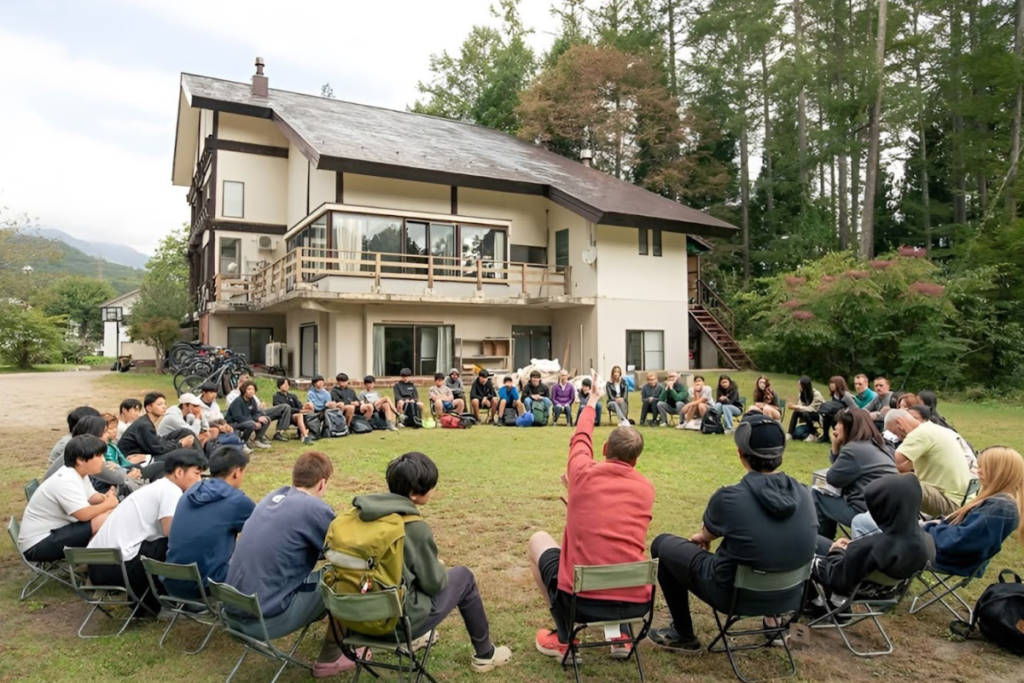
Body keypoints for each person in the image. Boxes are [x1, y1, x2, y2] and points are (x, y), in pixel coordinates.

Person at [647, 414, 818, 653]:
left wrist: (702, 538)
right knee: (773, 547)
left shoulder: (729, 498)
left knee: (663, 544)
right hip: (790, 596)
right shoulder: (806, 494)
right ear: (780, 454)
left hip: (733, 594)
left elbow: (705, 536)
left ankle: (683, 634)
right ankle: (779, 626)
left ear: (741, 454)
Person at [350, 453, 512, 672]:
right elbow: (434, 584)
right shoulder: (414, 528)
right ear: (414, 495)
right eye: (431, 487)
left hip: (353, 618)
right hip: (395, 625)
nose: (434, 490)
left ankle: (421, 637)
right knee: (463, 577)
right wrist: (438, 567)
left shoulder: (358, 517)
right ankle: (485, 654)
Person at [528, 376, 654, 660]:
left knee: (538, 541)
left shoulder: (583, 474)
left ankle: (563, 637)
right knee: (615, 556)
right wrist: (575, 493)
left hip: (580, 600)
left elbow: (582, 436)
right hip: (633, 600)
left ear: (605, 450)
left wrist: (594, 399)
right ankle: (619, 636)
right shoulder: (646, 489)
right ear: (635, 460)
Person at [225, 451, 356, 677]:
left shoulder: (270, 498)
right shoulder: (313, 508)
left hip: (232, 612)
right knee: (343, 579)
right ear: (323, 483)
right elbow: (344, 550)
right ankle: (333, 655)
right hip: (262, 621)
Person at [88, 449, 207, 614]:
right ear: (179, 472)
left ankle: (149, 604)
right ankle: (182, 598)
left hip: (99, 564)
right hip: (115, 567)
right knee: (178, 544)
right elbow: (171, 532)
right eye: (197, 474)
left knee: (161, 545)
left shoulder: (157, 487)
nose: (199, 480)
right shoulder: (170, 490)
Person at [808, 475, 933, 609]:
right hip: (887, 592)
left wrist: (836, 551)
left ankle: (818, 602)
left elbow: (835, 578)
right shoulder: (927, 541)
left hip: (852, 588)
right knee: (818, 541)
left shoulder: (871, 548)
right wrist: (851, 548)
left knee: (803, 545)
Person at [165, 447, 256, 598]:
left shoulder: (191, 492)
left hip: (172, 581)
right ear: (237, 472)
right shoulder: (236, 501)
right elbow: (267, 529)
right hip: (206, 585)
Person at [922, 446, 1023, 575]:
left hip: (949, 558)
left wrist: (927, 528)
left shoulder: (1001, 507)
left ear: (1000, 472)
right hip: (949, 553)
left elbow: (960, 541)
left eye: (984, 468)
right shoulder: (1001, 502)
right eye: (978, 466)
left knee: (893, 540)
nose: (978, 472)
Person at [18, 435, 118, 563]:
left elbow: (92, 497)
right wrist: (108, 504)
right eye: (98, 456)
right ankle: (95, 564)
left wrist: (107, 498)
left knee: (108, 514)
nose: (103, 460)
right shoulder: (66, 480)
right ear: (81, 460)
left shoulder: (78, 474)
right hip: (37, 545)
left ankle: (92, 563)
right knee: (104, 519)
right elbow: (83, 514)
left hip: (55, 533)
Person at [814, 408, 898, 539]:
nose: (835, 426)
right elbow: (842, 470)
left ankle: (824, 545)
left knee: (817, 496)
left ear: (848, 426)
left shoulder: (854, 449)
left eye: (838, 423)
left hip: (867, 511)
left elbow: (833, 478)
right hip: (890, 511)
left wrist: (835, 447)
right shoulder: (882, 445)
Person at [881, 409, 972, 517]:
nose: (899, 438)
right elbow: (902, 466)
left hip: (950, 503)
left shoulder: (919, 434)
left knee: (900, 483)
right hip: (964, 499)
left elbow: (890, 462)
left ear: (899, 422)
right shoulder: (934, 428)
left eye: (896, 433)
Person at [119, 392, 197, 457]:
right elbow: (157, 449)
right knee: (178, 453)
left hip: (149, 452)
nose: (164, 407)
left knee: (185, 432)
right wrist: (180, 444)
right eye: (159, 404)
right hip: (133, 460)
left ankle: (202, 464)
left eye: (164, 404)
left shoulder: (147, 421)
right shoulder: (144, 425)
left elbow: (157, 442)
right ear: (149, 408)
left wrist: (177, 442)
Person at [225, 381, 274, 448]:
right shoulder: (237, 401)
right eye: (249, 389)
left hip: (247, 421)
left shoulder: (252, 400)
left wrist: (258, 418)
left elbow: (255, 413)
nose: (251, 391)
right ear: (244, 390)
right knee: (251, 424)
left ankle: (258, 440)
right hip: (234, 423)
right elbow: (238, 417)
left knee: (266, 419)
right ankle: (243, 442)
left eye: (253, 389)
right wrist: (254, 422)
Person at [273, 378, 316, 444]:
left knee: (303, 414)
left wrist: (306, 406)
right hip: (284, 416)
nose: (286, 385)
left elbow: (300, 406)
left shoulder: (292, 396)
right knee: (300, 414)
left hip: (295, 416)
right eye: (284, 384)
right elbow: (282, 409)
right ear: (279, 385)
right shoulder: (276, 396)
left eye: (287, 384)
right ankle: (305, 436)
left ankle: (304, 435)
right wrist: (299, 410)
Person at [818, 376, 858, 443]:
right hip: (837, 414)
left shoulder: (846, 396)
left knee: (835, 420)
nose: (831, 385)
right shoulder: (835, 395)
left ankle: (841, 436)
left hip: (847, 416)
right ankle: (825, 437)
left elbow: (855, 408)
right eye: (830, 383)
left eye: (833, 383)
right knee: (826, 417)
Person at [787, 376, 823, 442]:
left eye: (800, 385)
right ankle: (790, 433)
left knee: (806, 414)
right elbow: (800, 407)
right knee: (796, 412)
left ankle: (814, 434)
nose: (799, 387)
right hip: (806, 413)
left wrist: (796, 406)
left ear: (805, 385)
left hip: (818, 415)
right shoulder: (801, 394)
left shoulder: (816, 394)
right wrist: (795, 407)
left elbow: (812, 409)